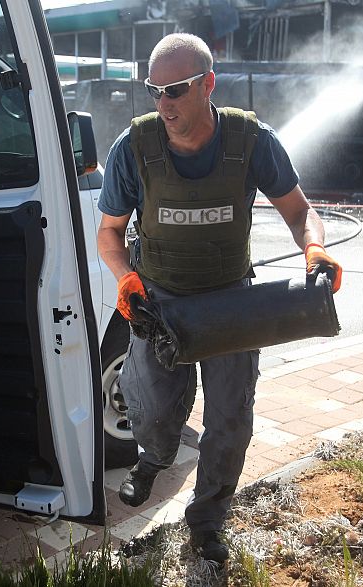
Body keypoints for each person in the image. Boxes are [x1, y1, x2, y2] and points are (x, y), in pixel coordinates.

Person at [96, 33, 342, 564]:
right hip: (158, 302)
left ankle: (206, 518)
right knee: (155, 413)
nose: (163, 104)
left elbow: (300, 212)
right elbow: (109, 233)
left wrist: (315, 250)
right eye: (153, 91)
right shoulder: (133, 147)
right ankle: (153, 459)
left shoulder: (250, 140)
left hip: (232, 303)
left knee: (230, 420)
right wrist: (125, 279)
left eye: (176, 90)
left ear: (208, 83)